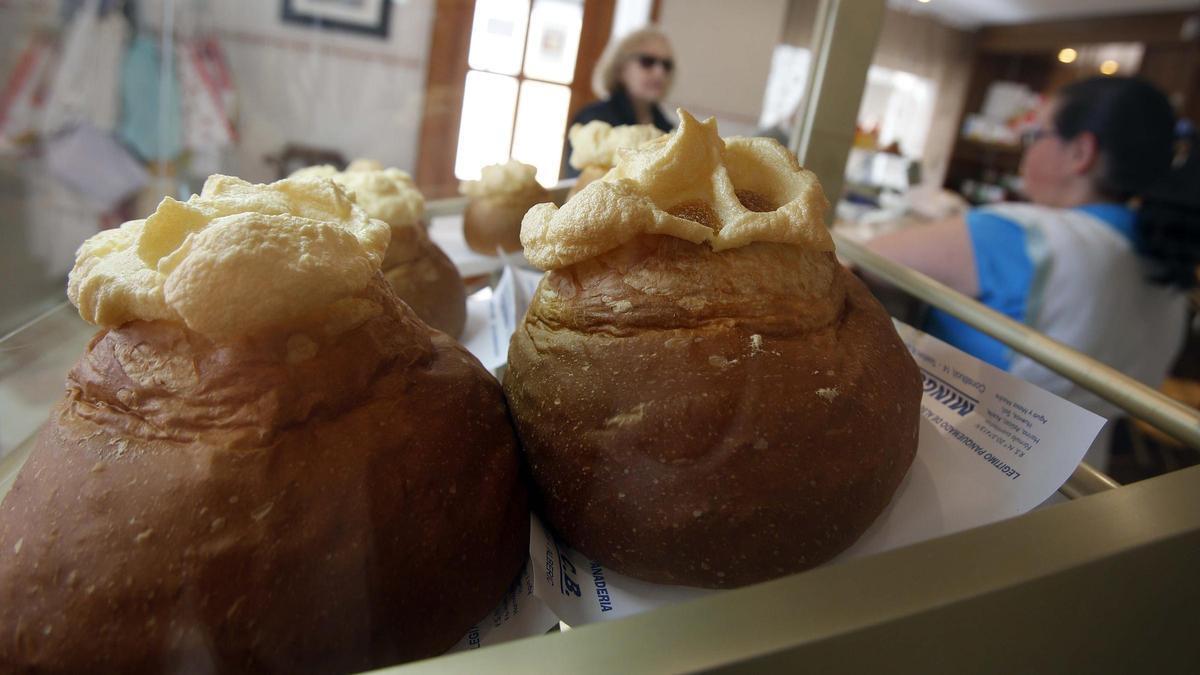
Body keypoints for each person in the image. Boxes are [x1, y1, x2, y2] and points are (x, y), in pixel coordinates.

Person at [866, 76, 1194, 470]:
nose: (1028, 148)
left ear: (1080, 152)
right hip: (1083, 483)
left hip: (966, 466)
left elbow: (854, 259)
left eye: (1037, 134)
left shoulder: (1025, 235)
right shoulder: (1167, 264)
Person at [564, 27, 675, 178]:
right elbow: (580, 182)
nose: (659, 72)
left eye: (666, 65)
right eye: (647, 61)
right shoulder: (593, 118)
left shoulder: (668, 127)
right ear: (621, 68)